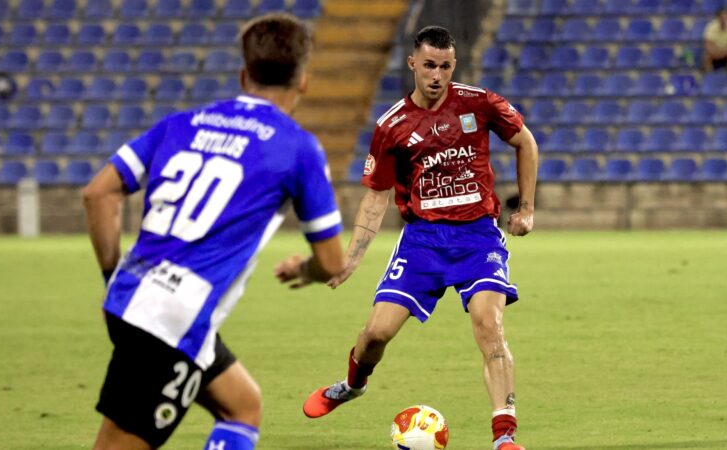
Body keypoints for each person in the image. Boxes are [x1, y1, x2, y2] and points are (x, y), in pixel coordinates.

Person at [83, 14, 345, 450]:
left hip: (134, 296)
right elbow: (333, 261)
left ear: (244, 74)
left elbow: (98, 194)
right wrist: (307, 268)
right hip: (170, 318)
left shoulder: (181, 123)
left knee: (242, 405)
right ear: (303, 81)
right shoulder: (298, 148)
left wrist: (115, 274)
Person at [302, 26, 538, 450]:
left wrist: (526, 208)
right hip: (423, 240)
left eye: (445, 66)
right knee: (376, 334)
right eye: (429, 65)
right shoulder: (392, 125)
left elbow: (526, 142)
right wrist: (351, 257)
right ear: (412, 63)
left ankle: (504, 437)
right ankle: (353, 385)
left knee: (490, 324)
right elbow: (376, 199)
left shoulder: (479, 103)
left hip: (478, 237)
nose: (437, 75)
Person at [702, 7, 727, 76]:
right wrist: (718, 52)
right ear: (718, 17)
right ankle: (710, 78)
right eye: (723, 17)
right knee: (706, 57)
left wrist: (724, 52)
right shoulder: (711, 27)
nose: (725, 19)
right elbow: (708, 45)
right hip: (715, 52)